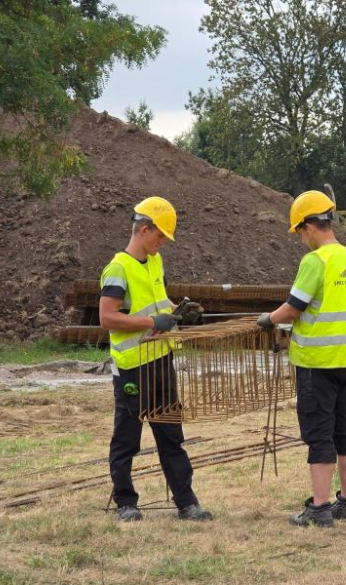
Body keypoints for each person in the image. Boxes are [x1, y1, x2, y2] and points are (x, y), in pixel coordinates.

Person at [257, 190, 346, 527]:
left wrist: (268, 320)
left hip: (315, 364)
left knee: (319, 434)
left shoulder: (315, 261)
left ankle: (319, 507)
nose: (301, 240)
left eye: (300, 232)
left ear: (308, 225)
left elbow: (294, 306)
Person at [99, 196, 212, 521]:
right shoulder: (118, 269)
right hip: (133, 368)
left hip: (161, 361)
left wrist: (178, 312)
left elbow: (157, 301)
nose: (163, 244)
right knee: (127, 438)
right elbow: (107, 318)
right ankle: (126, 502)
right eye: (160, 236)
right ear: (145, 229)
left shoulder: (154, 262)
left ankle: (186, 502)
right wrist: (152, 323)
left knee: (171, 434)